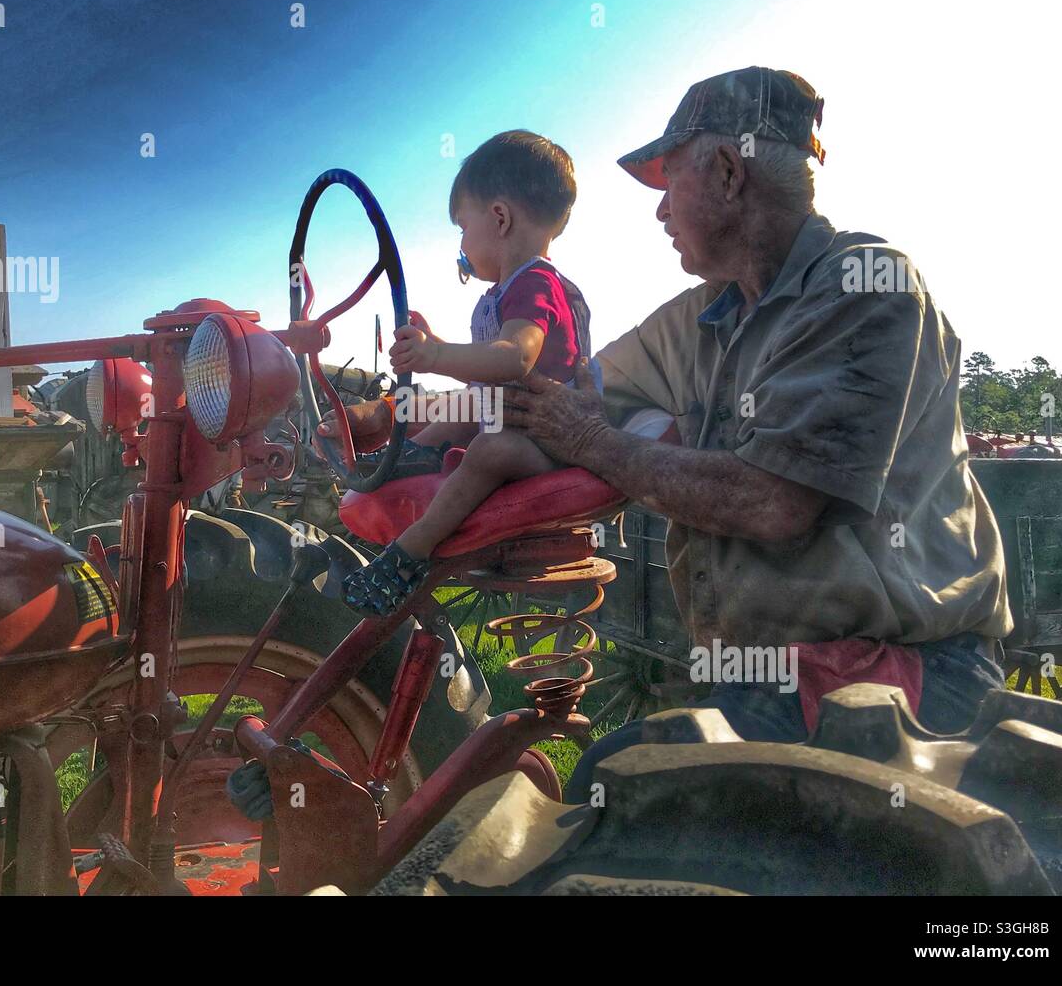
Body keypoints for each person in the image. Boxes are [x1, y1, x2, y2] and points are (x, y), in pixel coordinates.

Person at [328, 67, 1011, 801]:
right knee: (611, 783)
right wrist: (402, 414)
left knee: (616, 798)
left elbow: (773, 502)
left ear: (726, 171)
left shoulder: (863, 286)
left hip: (899, 677)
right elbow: (560, 399)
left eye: (668, 179)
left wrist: (595, 444)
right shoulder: (698, 318)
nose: (657, 211)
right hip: (767, 671)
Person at [337, 129, 596, 616]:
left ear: (498, 218)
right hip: (511, 416)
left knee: (489, 447)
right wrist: (438, 350)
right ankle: (411, 457)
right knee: (465, 409)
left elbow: (514, 357)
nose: (461, 241)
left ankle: (409, 554)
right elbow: (485, 379)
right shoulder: (502, 293)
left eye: (462, 226)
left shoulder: (535, 283)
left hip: (549, 443)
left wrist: (435, 356)